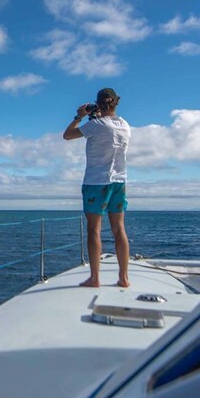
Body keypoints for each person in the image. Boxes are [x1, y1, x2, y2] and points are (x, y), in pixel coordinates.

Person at [62, 87, 130, 288]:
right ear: (115, 103)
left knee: (94, 230)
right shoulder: (125, 125)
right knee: (119, 230)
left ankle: (95, 278)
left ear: (98, 104)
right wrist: (97, 116)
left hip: (96, 182)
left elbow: (67, 135)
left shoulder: (97, 125)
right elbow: (106, 129)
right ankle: (124, 278)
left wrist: (79, 116)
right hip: (119, 181)